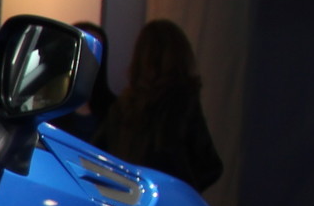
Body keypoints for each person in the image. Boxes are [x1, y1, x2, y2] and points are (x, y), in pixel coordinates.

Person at [93, 18, 223, 191]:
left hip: (126, 198)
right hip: (168, 200)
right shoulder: (182, 103)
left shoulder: (123, 107)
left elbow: (96, 155)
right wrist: (184, 190)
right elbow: (210, 166)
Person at [64, 20, 115, 142]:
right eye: (86, 49)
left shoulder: (113, 108)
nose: (90, 58)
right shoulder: (47, 101)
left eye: (97, 51)